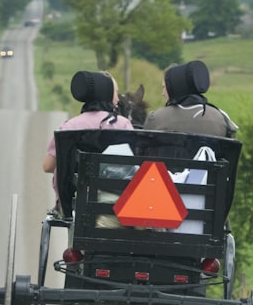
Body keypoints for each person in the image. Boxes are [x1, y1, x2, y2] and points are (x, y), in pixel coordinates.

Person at [42, 70, 133, 204]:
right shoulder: (123, 124)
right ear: (106, 93)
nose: (118, 99)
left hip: (76, 202)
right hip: (117, 201)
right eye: (114, 93)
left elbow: (48, 166)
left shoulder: (69, 127)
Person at [143, 60, 237, 138]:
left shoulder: (156, 118)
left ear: (175, 88)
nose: (162, 93)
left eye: (164, 87)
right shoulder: (222, 119)